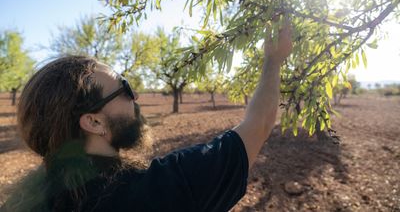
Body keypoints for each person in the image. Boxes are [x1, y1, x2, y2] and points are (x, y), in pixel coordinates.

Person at [1, 20, 292, 212]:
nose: (136, 96)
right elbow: (259, 124)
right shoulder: (161, 191)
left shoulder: (33, 199)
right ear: (94, 121)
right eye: (124, 87)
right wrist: (273, 60)